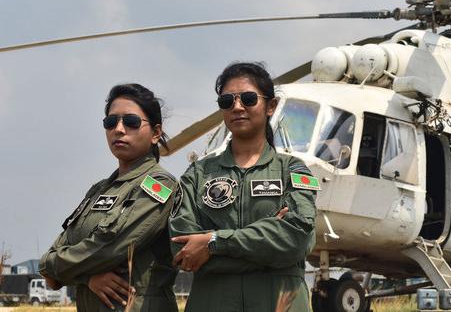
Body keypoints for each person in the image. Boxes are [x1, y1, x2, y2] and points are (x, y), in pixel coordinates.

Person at [170, 62, 317, 312]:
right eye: (227, 101)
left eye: (248, 99)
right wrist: (270, 253)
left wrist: (213, 242)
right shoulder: (197, 174)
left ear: (271, 106)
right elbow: (182, 249)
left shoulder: (293, 170)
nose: (237, 107)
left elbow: (296, 241)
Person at [40, 84, 179, 312]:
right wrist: (87, 278)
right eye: (111, 122)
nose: (119, 129)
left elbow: (110, 249)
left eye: (131, 122)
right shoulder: (98, 190)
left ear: (155, 133)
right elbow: (55, 261)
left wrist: (50, 265)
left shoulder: (160, 186)